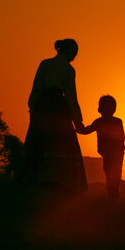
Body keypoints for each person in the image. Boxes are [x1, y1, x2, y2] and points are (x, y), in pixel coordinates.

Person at [19, 39, 88, 193]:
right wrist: (78, 122)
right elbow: (71, 96)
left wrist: (33, 109)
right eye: (75, 53)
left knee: (36, 143)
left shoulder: (45, 64)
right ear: (70, 51)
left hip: (42, 107)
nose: (75, 57)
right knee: (62, 145)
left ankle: (30, 182)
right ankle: (60, 184)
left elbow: (36, 88)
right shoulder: (69, 70)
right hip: (58, 108)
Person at [77, 95, 125, 200]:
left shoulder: (100, 122)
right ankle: (113, 197)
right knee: (113, 177)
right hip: (114, 155)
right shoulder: (115, 122)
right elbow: (122, 139)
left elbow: (86, 131)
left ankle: (113, 198)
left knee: (111, 177)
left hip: (113, 154)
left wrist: (77, 127)